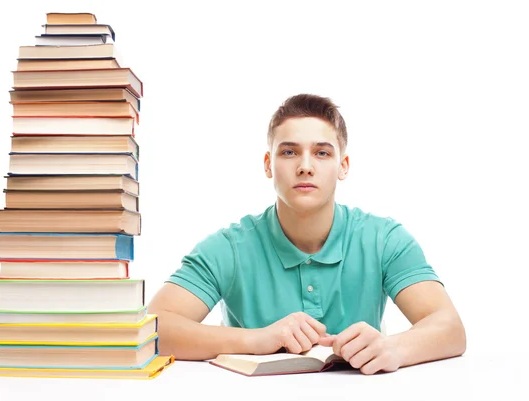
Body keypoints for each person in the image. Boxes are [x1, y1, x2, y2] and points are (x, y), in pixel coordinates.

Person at [147, 94, 466, 375]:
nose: (305, 166)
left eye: (322, 153)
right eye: (289, 152)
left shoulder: (384, 239)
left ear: (343, 166)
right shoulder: (228, 247)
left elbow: (450, 327)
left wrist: (393, 348)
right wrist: (258, 339)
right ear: (268, 164)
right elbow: (154, 327)